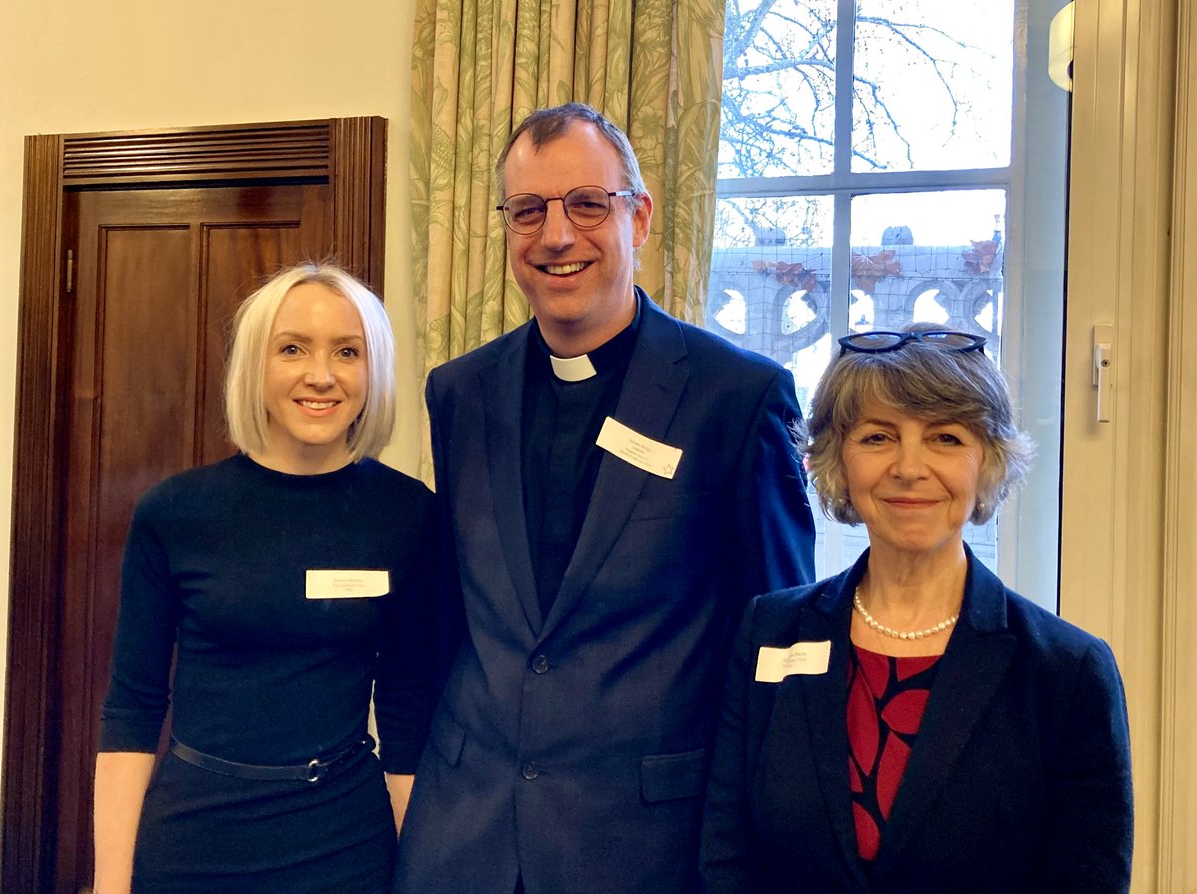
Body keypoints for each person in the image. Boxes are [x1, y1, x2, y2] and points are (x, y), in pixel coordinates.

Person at [393, 103, 816, 894]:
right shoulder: (459, 392)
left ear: (641, 217)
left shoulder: (737, 399)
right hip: (464, 842)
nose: (557, 236)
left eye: (588, 204)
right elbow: (454, 615)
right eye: (528, 211)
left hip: (645, 847)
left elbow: (771, 649)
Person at [701, 325, 1135, 893]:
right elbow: (728, 859)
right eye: (878, 438)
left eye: (946, 438)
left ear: (988, 460)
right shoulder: (769, 633)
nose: (909, 467)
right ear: (837, 459)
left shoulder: (1066, 672)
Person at [93, 263, 436, 894]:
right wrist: (113, 885)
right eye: (293, 348)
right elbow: (132, 710)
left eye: (347, 352)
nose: (321, 375)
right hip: (196, 835)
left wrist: (416, 872)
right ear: (256, 364)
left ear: (373, 369)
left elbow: (408, 706)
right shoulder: (175, 512)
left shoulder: (408, 514)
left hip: (345, 841)